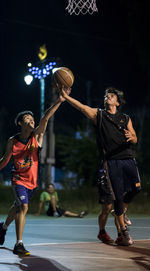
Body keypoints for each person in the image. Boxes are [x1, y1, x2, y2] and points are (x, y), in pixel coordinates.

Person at [60, 86, 141, 246]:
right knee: (116, 197)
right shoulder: (100, 115)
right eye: (106, 95)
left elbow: (135, 138)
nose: (108, 97)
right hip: (111, 161)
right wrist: (66, 97)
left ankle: (122, 212)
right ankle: (123, 233)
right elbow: (82, 107)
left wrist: (132, 137)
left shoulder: (125, 118)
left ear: (117, 102)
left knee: (136, 188)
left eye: (111, 96)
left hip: (128, 158)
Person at [0, 92, 68, 256]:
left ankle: (2, 228)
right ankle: (19, 244)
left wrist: (59, 100)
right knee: (23, 207)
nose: (32, 121)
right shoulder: (13, 141)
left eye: (32, 119)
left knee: (17, 208)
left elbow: (45, 117)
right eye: (27, 120)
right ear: (20, 123)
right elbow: (5, 159)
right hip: (18, 179)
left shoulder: (37, 136)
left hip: (33, 182)